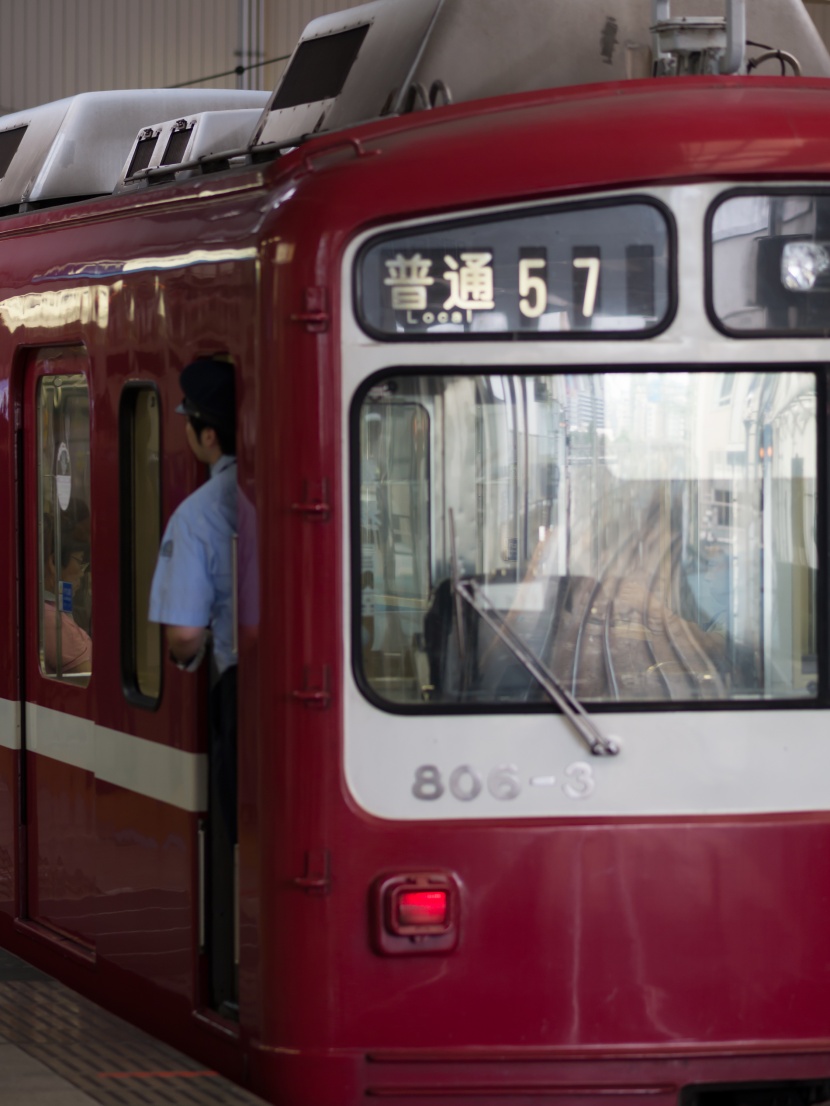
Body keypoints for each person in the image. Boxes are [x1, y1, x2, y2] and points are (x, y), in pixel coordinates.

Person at [148, 357, 238, 843]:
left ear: (209, 437)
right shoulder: (282, 489)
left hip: (240, 692)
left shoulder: (197, 515)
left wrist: (196, 645)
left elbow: (182, 634)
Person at [42, 510, 92, 675]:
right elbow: (87, 681)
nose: (82, 572)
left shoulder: (48, 607)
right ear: (54, 563)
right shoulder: (52, 621)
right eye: (79, 561)